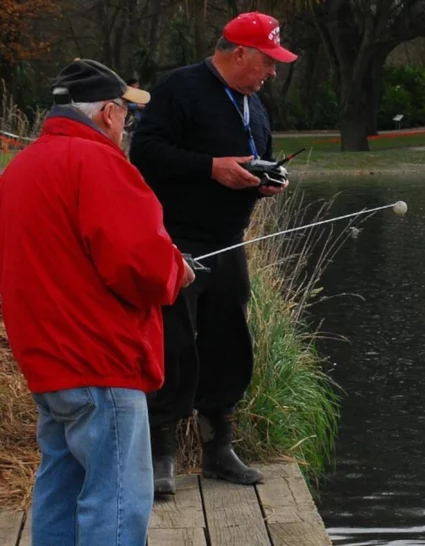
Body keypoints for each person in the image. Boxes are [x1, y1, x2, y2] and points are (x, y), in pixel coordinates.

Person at [0, 58, 194, 545]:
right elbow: (141, 267)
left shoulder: (20, 168)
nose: (127, 123)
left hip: (48, 364)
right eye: (126, 112)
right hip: (100, 362)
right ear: (108, 112)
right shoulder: (102, 164)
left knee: (60, 489)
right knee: (117, 497)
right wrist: (176, 270)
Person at [129, 11, 297, 495]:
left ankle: (218, 447)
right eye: (267, 62)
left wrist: (265, 181)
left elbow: (251, 155)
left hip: (231, 239)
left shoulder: (255, 106)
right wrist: (211, 168)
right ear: (239, 52)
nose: (272, 73)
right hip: (177, 239)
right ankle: (160, 453)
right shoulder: (179, 88)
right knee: (174, 341)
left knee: (228, 341)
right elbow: (145, 154)